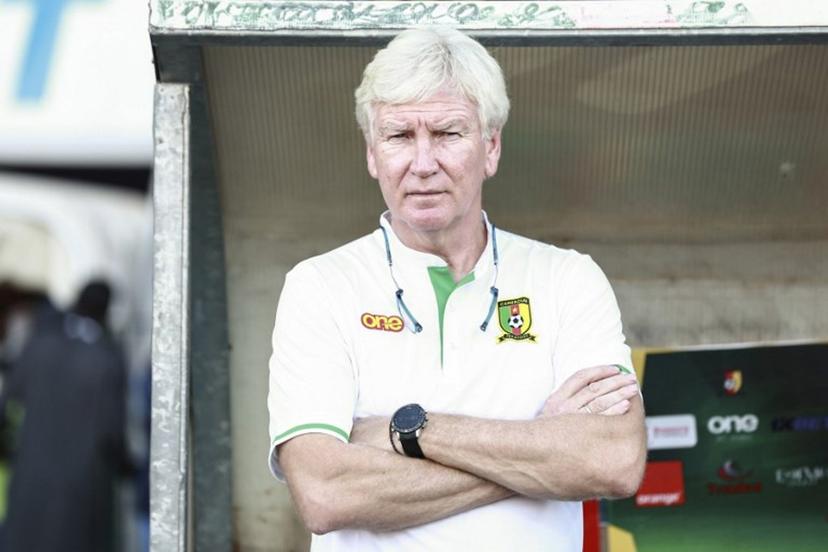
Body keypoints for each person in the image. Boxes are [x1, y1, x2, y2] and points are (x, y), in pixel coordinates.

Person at [268, 27, 646, 551]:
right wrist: (540, 451)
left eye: (448, 133)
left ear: (490, 147)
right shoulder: (320, 286)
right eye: (399, 136)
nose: (423, 164)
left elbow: (614, 461)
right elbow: (326, 493)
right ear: (373, 153)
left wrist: (410, 431)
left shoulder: (567, 278)